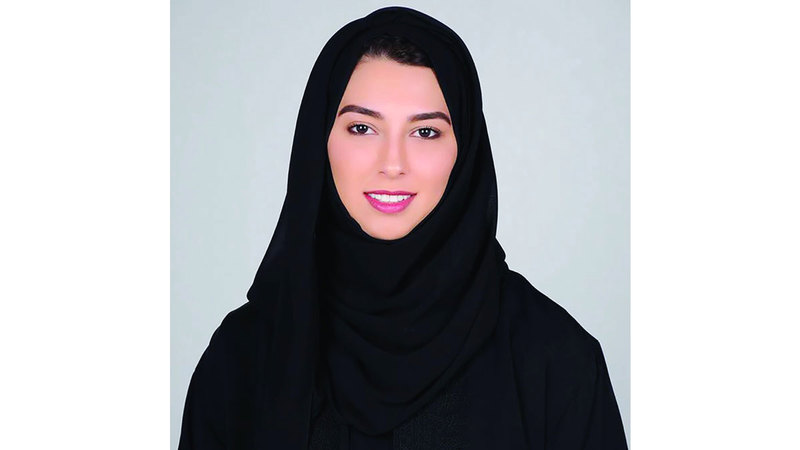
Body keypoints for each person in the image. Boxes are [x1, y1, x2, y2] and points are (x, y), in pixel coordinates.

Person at [178, 6, 628, 449]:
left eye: (425, 132)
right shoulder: (242, 358)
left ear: (465, 150)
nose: (392, 164)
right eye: (362, 128)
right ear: (320, 141)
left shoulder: (554, 359)